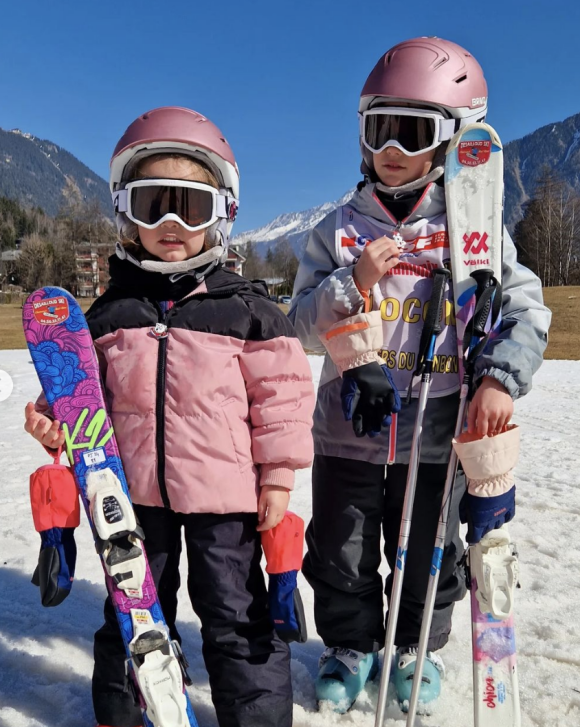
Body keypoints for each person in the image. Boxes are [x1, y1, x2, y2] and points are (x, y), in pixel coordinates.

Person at [24, 106, 315, 727]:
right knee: (132, 608)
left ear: (223, 214)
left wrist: (279, 478)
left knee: (237, 614)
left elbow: (283, 403)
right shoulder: (106, 315)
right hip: (130, 500)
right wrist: (56, 421)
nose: (172, 223)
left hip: (226, 500)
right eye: (153, 203)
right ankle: (126, 712)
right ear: (127, 212)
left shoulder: (249, 312)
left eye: (191, 204)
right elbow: (76, 392)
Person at [289, 37, 551, 714]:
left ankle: (413, 649)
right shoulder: (338, 229)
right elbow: (302, 322)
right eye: (380, 130)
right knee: (342, 548)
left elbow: (525, 310)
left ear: (455, 139)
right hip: (349, 427)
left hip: (436, 426)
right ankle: (350, 646)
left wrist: (496, 378)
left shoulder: (475, 231)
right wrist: (354, 282)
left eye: (414, 132)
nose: (393, 148)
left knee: (428, 546)